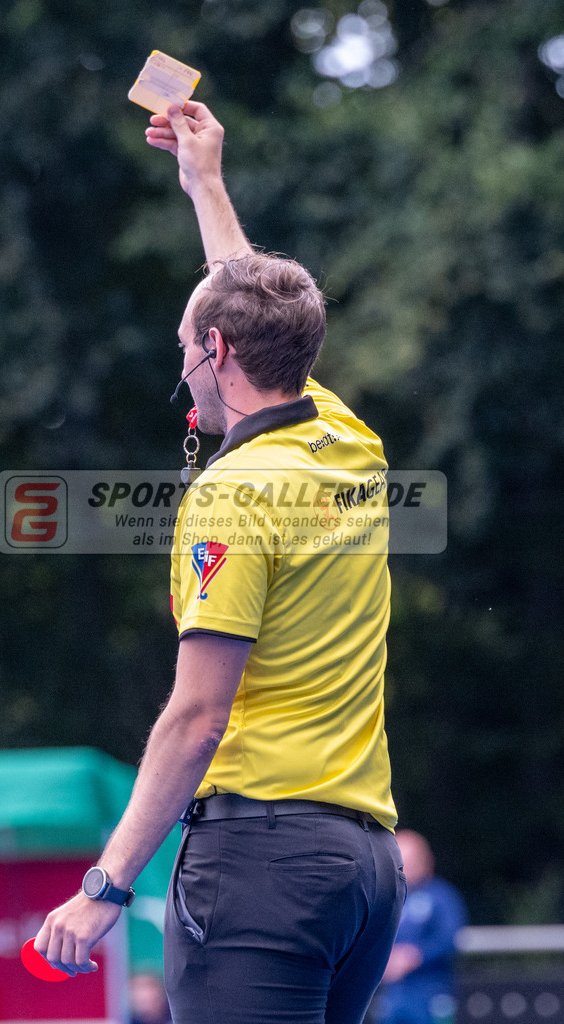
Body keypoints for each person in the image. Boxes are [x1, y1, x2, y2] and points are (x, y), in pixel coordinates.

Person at [34, 100, 406, 1024]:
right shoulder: (348, 442)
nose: (184, 370)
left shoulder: (234, 495)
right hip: (362, 869)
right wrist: (205, 182)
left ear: (215, 352)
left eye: (186, 352)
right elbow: (249, 306)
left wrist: (106, 886)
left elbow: (197, 716)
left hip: (263, 868)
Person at [374, 831, 468, 1024]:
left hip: (431, 993)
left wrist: (416, 956)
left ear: (425, 860)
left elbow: (449, 938)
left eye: (409, 858)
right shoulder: (386, 899)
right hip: (392, 995)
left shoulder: (441, 895)